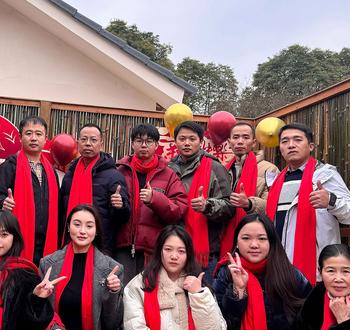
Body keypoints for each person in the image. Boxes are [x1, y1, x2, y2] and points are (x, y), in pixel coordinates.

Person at [266, 123, 350, 283]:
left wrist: (331, 201)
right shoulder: (276, 182)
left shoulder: (325, 175)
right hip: (279, 269)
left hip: (313, 268)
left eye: (297, 140)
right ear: (280, 148)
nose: (291, 145)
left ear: (310, 146)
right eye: (285, 141)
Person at [115, 124, 188, 283]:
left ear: (156, 145)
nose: (143, 145)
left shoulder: (168, 174)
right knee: (121, 291)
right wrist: (115, 204)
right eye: (139, 141)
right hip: (122, 246)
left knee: (148, 291)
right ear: (132, 144)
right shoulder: (119, 171)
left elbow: (179, 210)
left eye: (149, 141)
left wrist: (155, 199)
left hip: (153, 248)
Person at [0, 116, 60, 264]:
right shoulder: (9, 166)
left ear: (45, 139)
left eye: (38, 134)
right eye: (28, 133)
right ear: (20, 137)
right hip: (17, 239)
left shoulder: (51, 171)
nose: (33, 138)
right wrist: (2, 203)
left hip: (46, 241)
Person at [168, 121, 233, 269]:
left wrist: (207, 206)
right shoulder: (168, 168)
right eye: (182, 139)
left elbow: (229, 207)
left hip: (205, 250)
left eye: (192, 139)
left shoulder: (215, 167)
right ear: (175, 141)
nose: (187, 143)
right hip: (172, 245)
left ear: (201, 141)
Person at [59, 123, 130, 253]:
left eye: (93, 140)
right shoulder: (70, 173)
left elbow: (123, 218)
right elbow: (61, 210)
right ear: (78, 143)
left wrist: (120, 206)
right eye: (84, 139)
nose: (88, 144)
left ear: (101, 144)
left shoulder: (114, 176)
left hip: (100, 246)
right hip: (69, 242)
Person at [220, 122, 278, 258]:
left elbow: (273, 206)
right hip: (224, 235)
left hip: (255, 238)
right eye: (236, 137)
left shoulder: (269, 170)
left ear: (254, 142)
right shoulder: (223, 169)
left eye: (245, 137)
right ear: (229, 142)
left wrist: (249, 204)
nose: (240, 141)